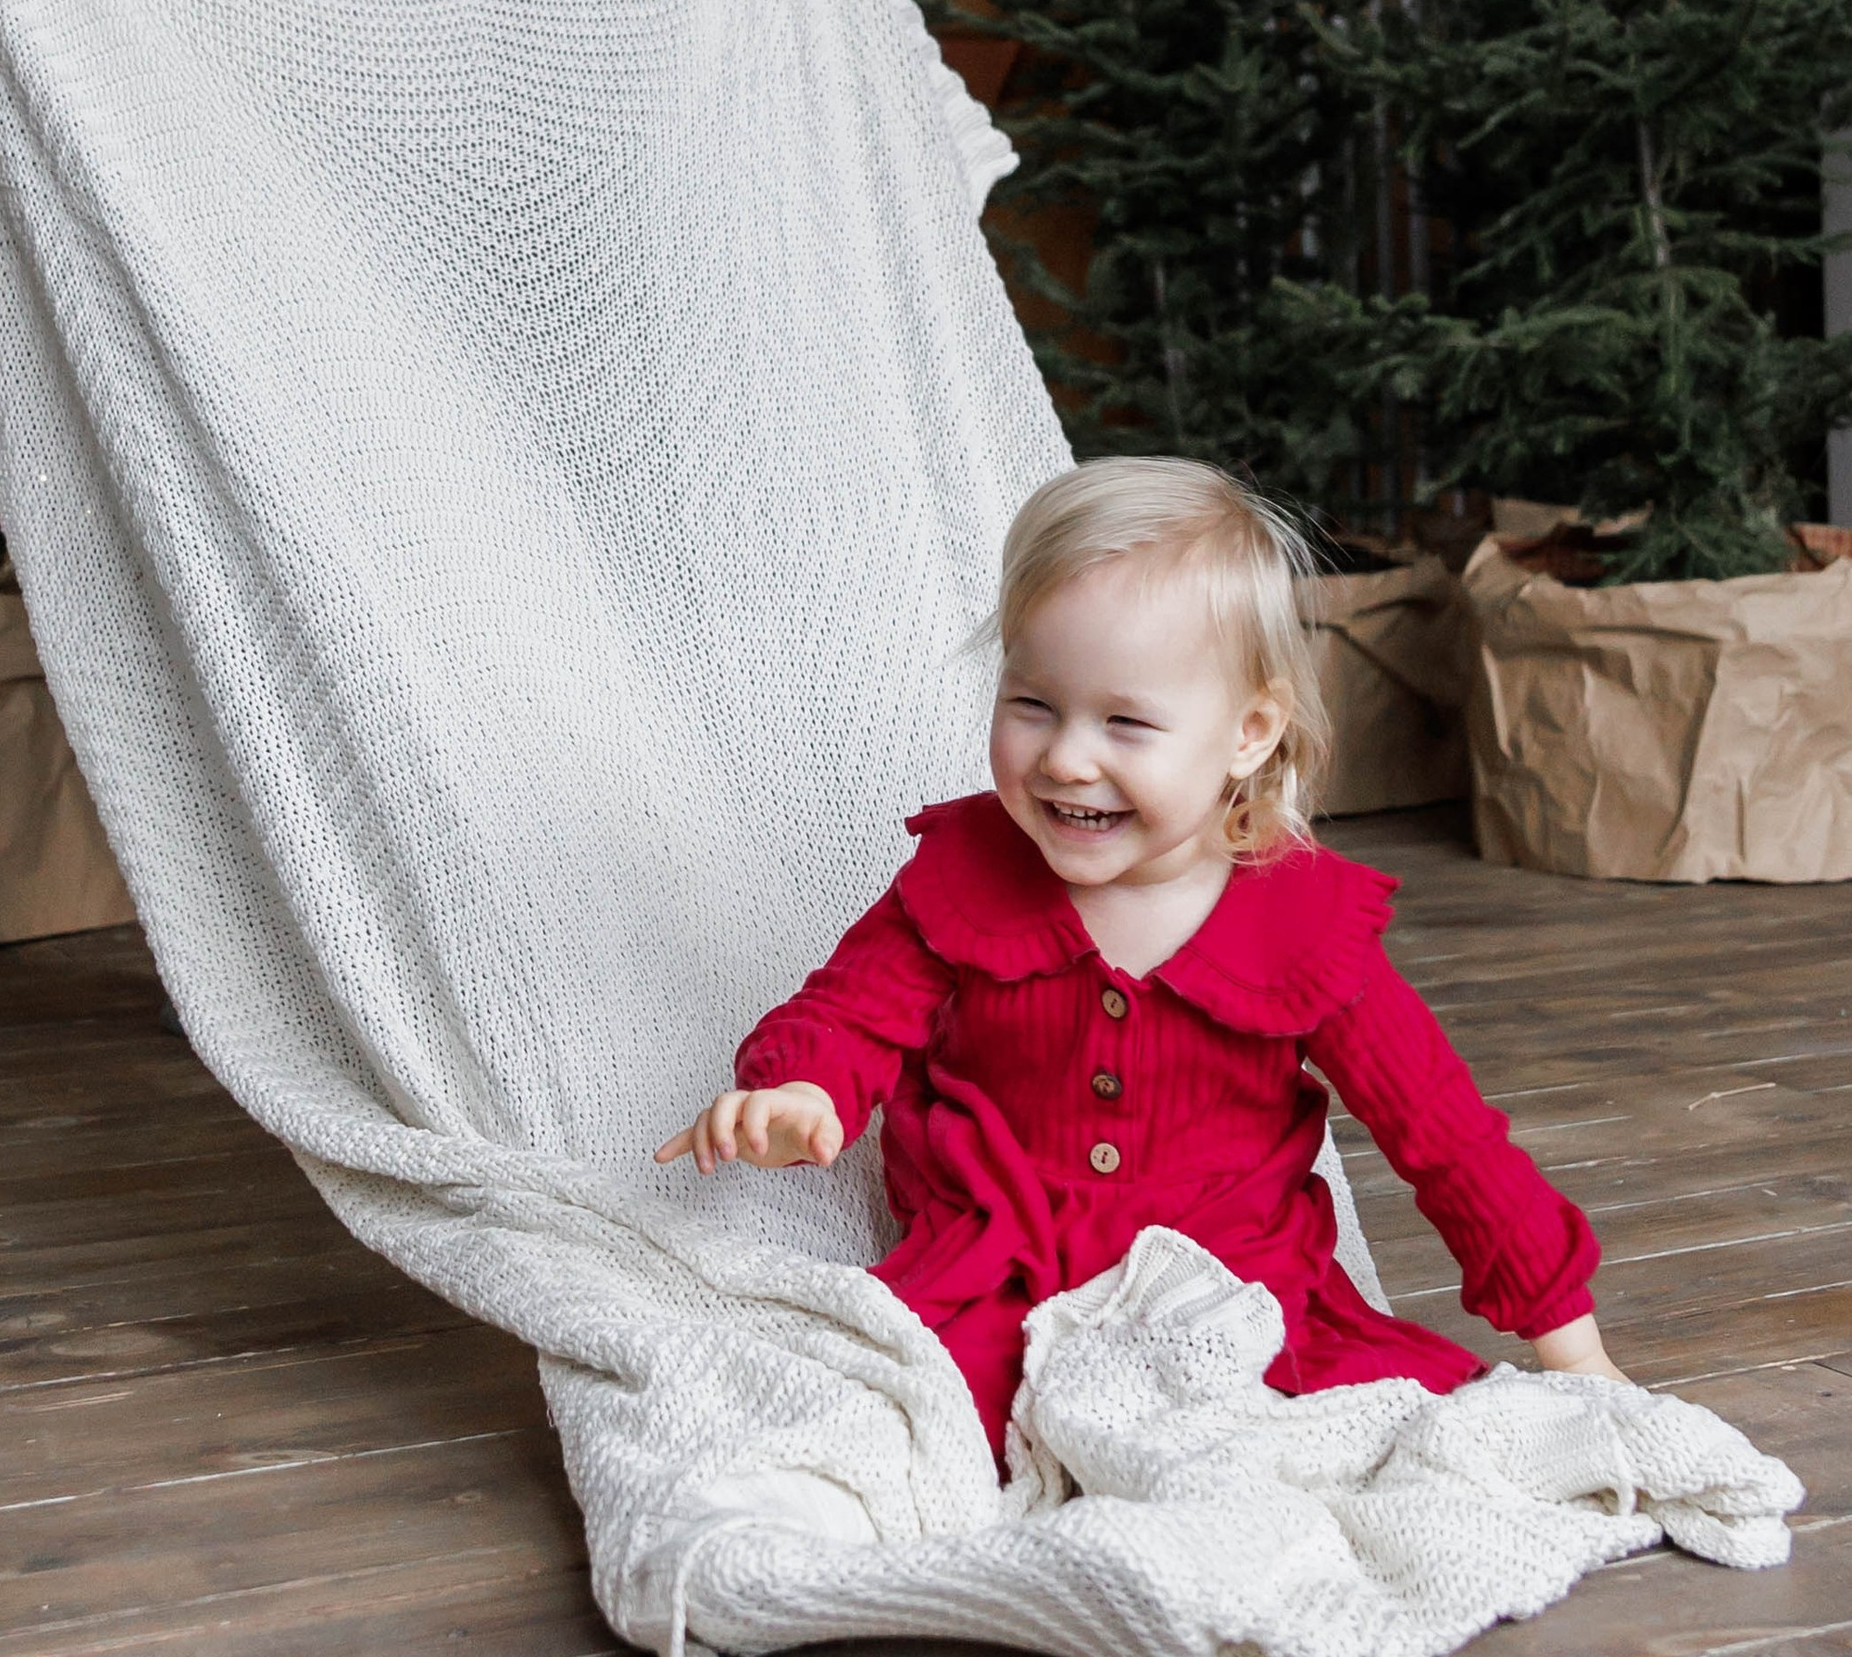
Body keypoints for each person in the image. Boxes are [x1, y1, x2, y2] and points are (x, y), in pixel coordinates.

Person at [659, 456, 1616, 1465]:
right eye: (1032, 702)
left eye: (1124, 721)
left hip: (1237, 1288)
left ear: (1249, 732)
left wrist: (1576, 1352)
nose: (1067, 756)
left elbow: (1447, 1138)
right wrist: (804, 1089)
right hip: (1001, 1276)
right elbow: (851, 1010)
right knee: (903, 1421)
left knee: (1372, 1432)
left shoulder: (1302, 921)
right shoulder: (962, 875)